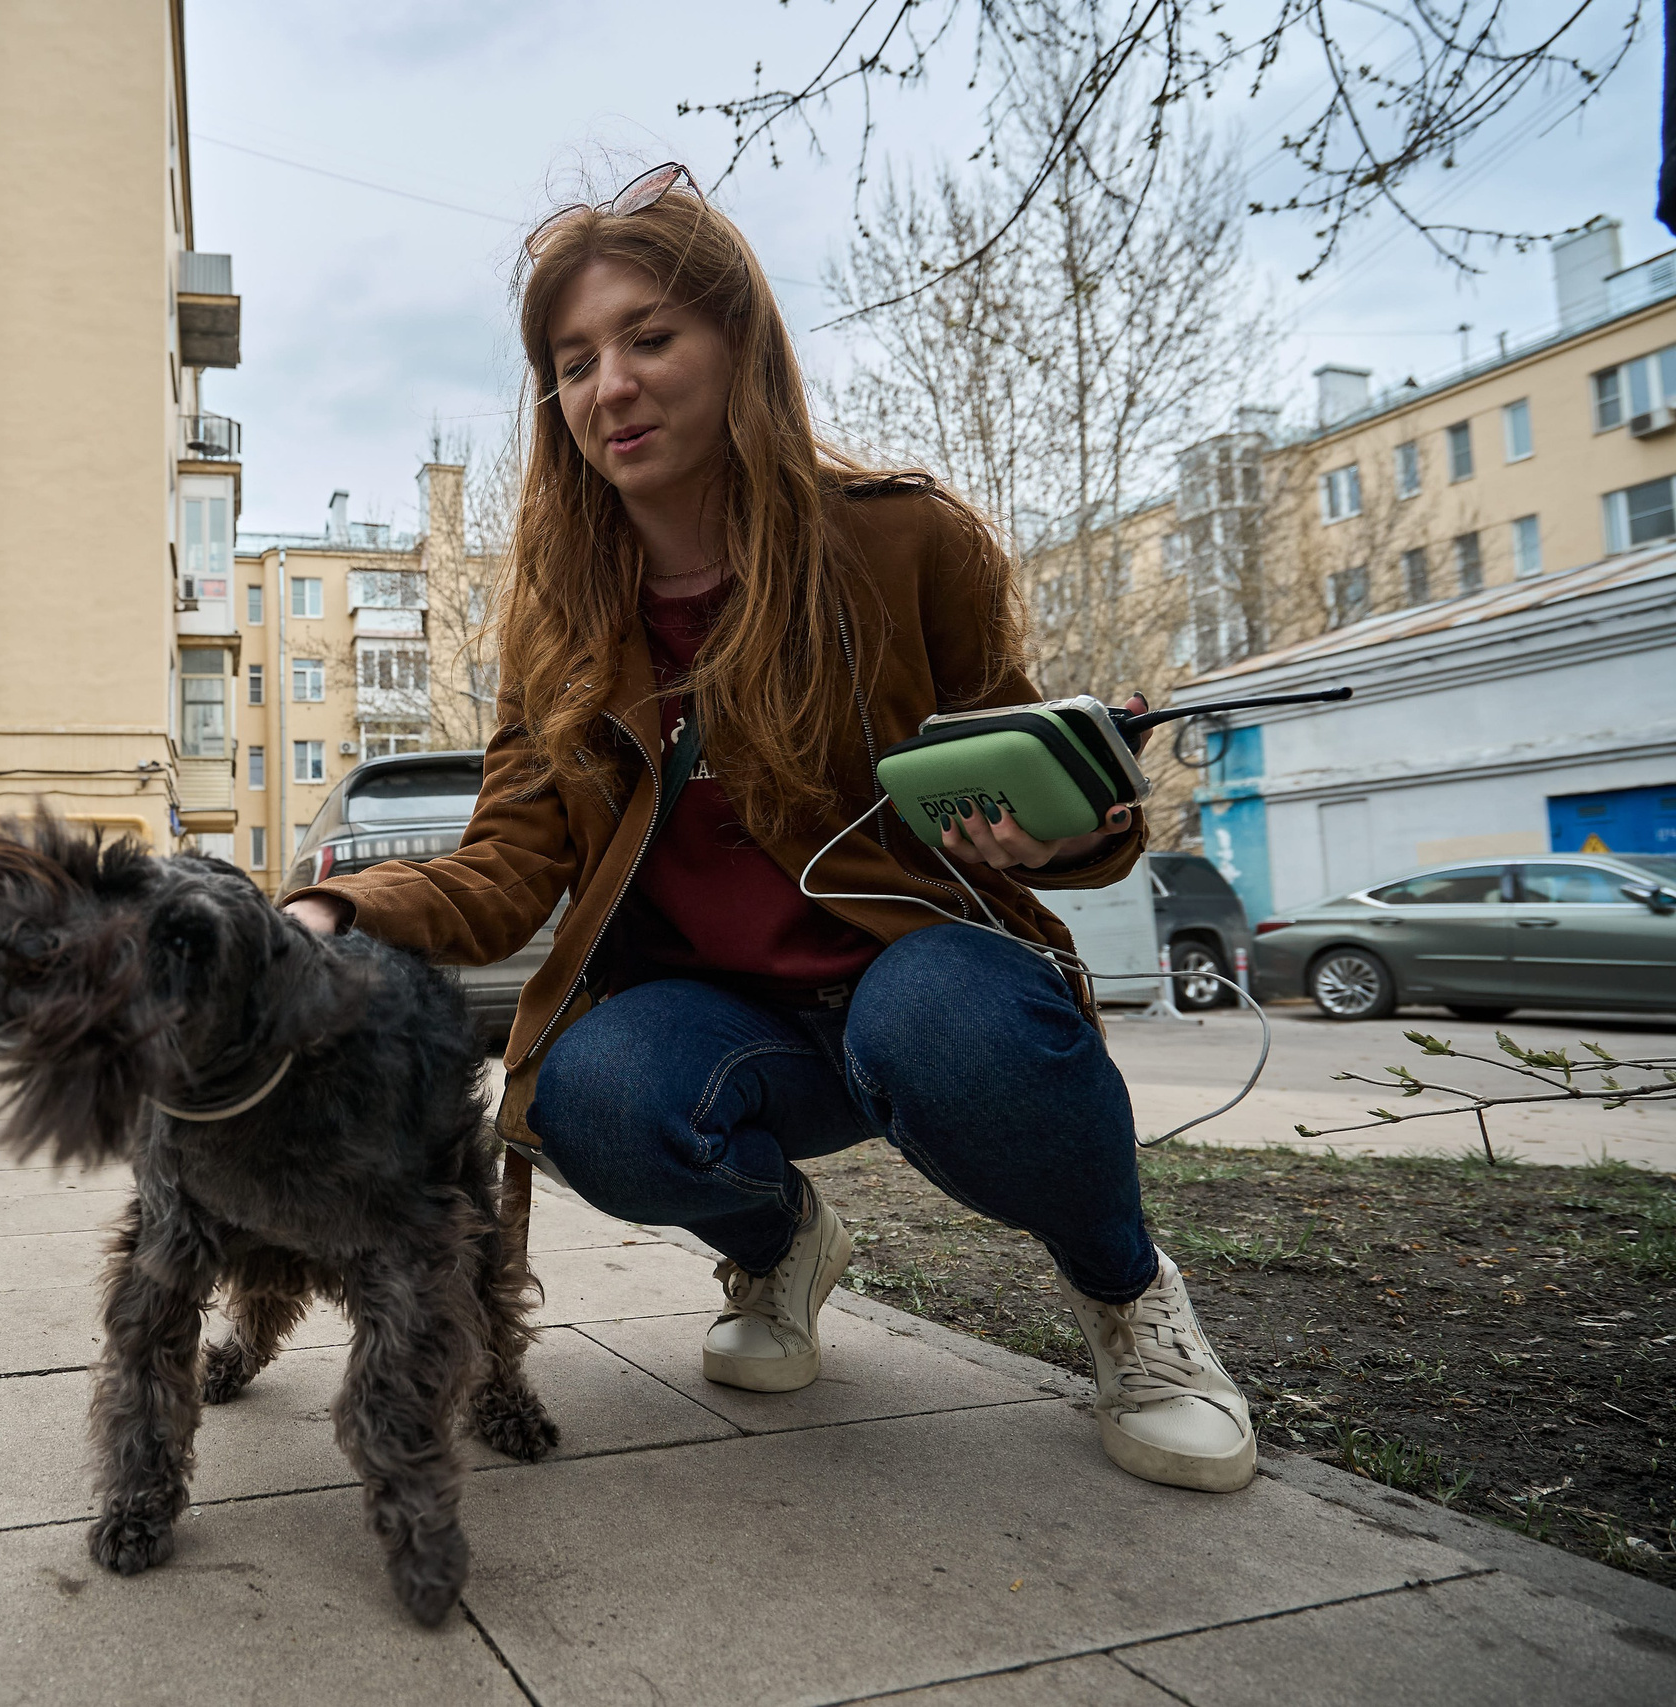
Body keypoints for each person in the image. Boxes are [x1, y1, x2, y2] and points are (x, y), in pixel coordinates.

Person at [280, 165, 1255, 1494]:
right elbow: (509, 869)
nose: (609, 385)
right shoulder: (558, 621)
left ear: (739, 346)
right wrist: (336, 909)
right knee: (587, 1092)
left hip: (916, 979)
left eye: (649, 337)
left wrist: (1056, 831)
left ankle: (1127, 1294)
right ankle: (781, 1239)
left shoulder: (909, 543)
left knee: (943, 1024)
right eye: (573, 363)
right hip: (720, 1027)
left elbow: (1055, 792)